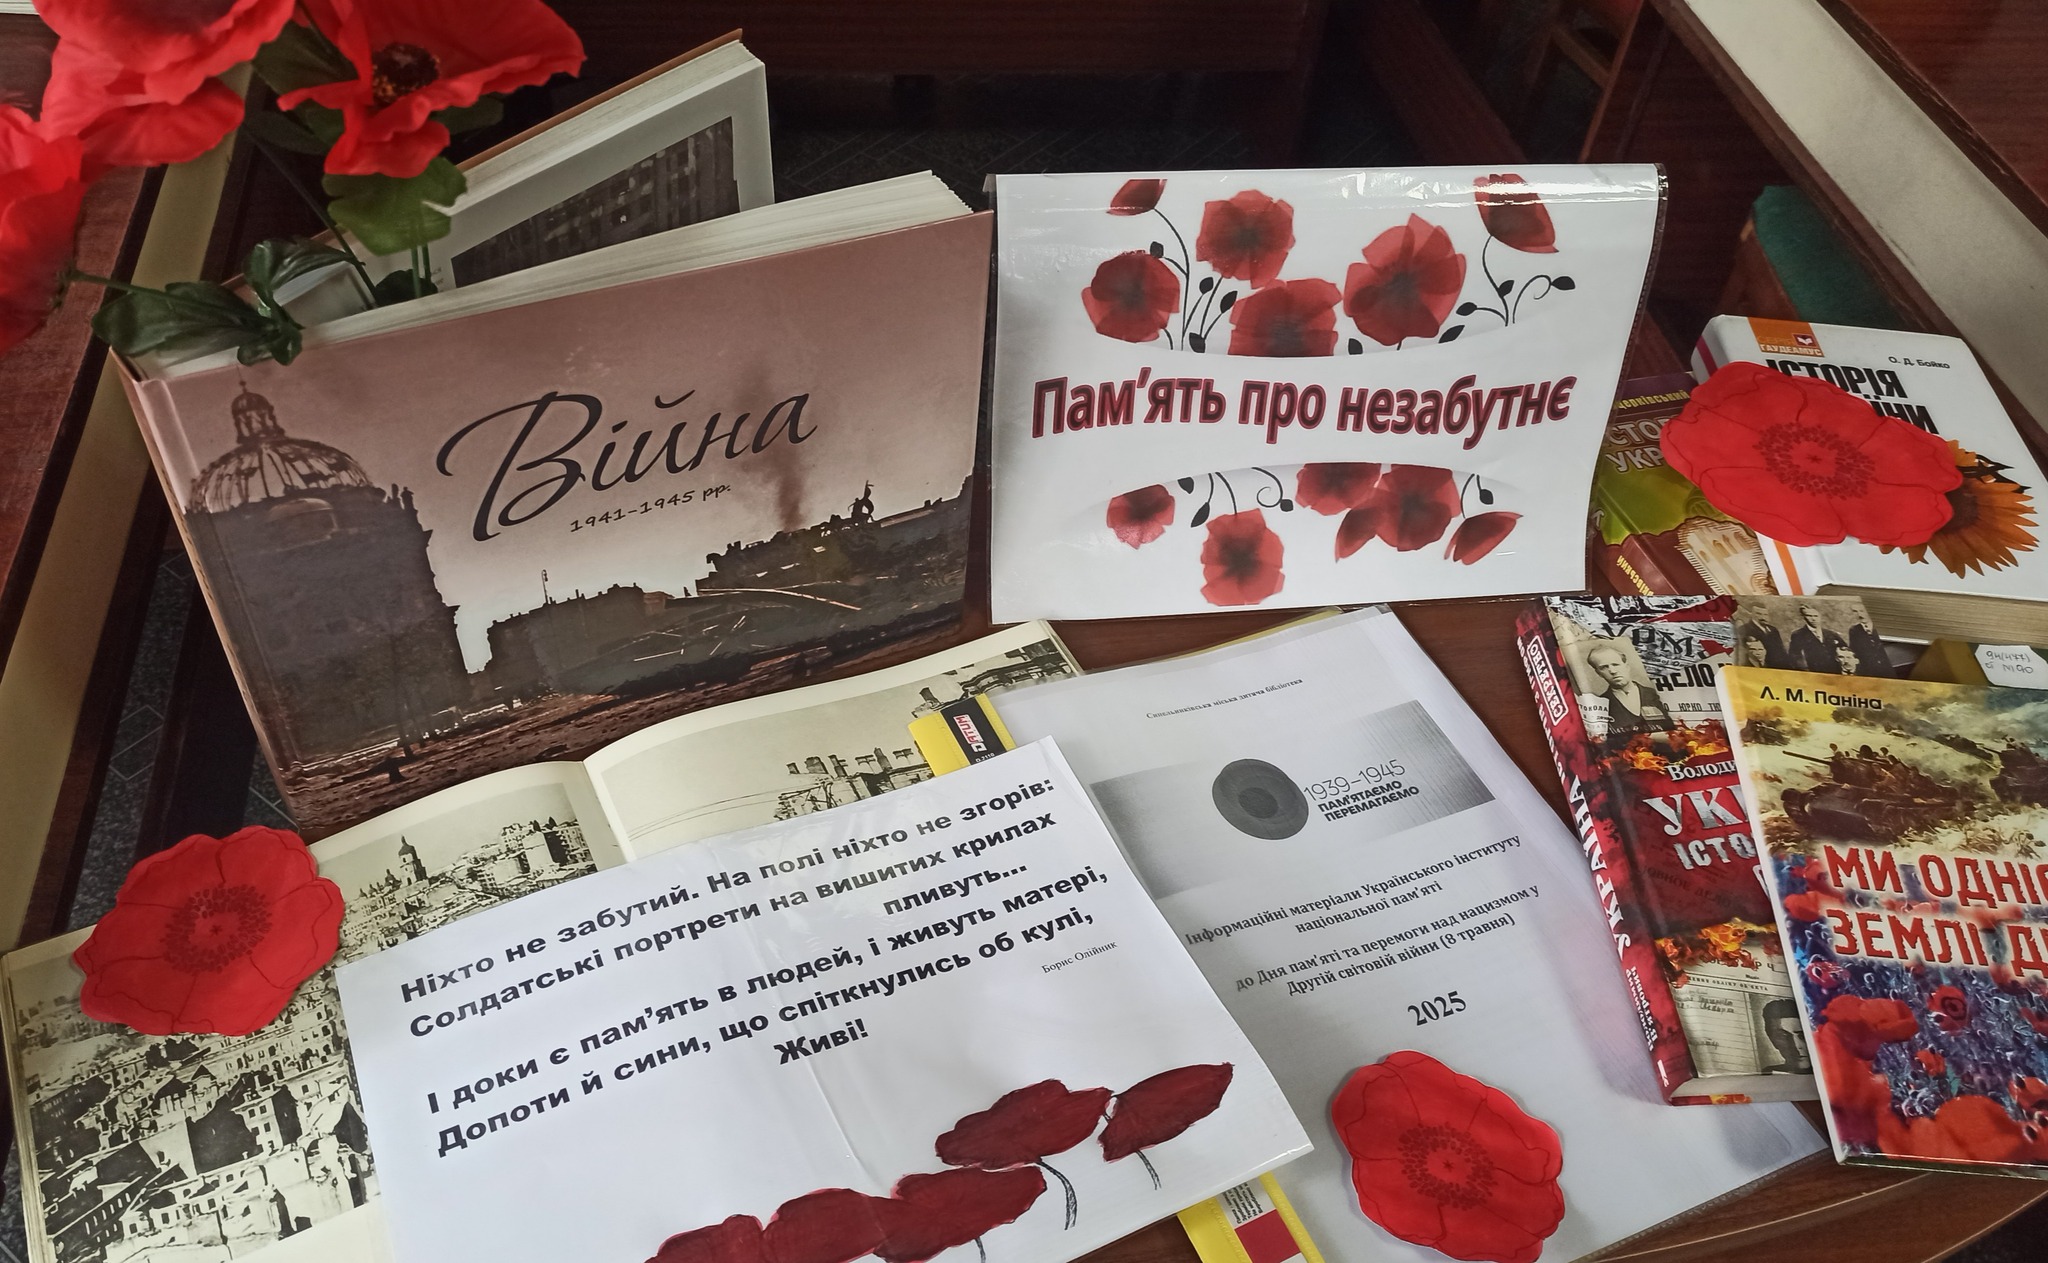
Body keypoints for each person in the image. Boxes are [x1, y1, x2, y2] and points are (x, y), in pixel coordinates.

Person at [1585, 642, 1672, 746]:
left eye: (1615, 664)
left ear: (1626, 666)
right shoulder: (1600, 705)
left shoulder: (1654, 694)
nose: (1612, 671)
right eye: (1604, 667)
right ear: (1598, 673)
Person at [1788, 602, 1849, 673]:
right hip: (1813, 672)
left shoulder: (1831, 634)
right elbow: (1795, 656)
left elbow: (1846, 650)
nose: (1813, 619)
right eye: (1809, 616)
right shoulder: (1798, 634)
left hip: (1835, 671)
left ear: (1820, 617)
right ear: (1804, 617)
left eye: (1816, 616)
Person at [1760, 998, 1812, 1074]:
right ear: (1772, 1040)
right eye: (1783, 1037)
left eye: (1802, 1036)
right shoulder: (1769, 1074)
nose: (1796, 1046)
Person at [1846, 609, 1890, 678]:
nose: (1859, 615)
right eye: (1855, 611)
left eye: (1862, 611)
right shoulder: (1854, 630)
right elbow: (1854, 651)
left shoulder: (1883, 626)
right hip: (1867, 671)